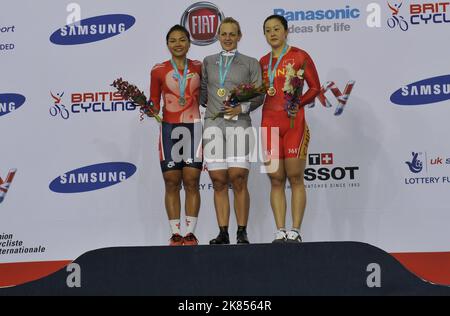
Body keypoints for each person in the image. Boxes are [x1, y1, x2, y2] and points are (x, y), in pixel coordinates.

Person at [201, 17, 264, 244]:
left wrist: (241, 107)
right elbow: (203, 93)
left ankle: (242, 232)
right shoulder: (207, 61)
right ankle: (223, 232)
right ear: (218, 36)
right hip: (213, 125)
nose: (227, 38)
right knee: (218, 180)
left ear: (239, 36)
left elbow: (260, 94)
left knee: (238, 178)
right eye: (224, 34)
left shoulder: (250, 62)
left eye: (232, 34)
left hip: (239, 124)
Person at [259, 15, 321, 243]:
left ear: (286, 31)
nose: (272, 33)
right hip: (269, 125)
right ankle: (279, 230)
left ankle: (295, 230)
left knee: (295, 177)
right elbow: (257, 93)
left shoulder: (300, 56)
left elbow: (315, 87)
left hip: (294, 124)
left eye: (277, 29)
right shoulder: (263, 62)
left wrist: (298, 103)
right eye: (268, 30)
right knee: (276, 179)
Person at [150, 25, 203, 246]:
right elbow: (153, 100)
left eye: (182, 40)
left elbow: (209, 95)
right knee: (171, 182)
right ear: (167, 44)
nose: (178, 44)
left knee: (192, 181)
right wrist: (149, 108)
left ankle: (190, 233)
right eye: (173, 40)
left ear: (189, 43)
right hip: (169, 130)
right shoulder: (158, 70)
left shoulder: (200, 67)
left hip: (194, 128)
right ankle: (175, 234)